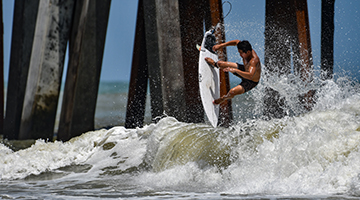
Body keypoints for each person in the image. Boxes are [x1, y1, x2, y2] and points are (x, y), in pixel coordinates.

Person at [205, 40, 261, 105]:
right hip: (244, 70)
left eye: (241, 53)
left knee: (232, 92)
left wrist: (235, 70)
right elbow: (236, 42)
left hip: (251, 81)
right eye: (239, 53)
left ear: (248, 52)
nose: (240, 55)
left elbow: (250, 76)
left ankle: (223, 98)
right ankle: (214, 64)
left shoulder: (254, 61)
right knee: (220, 64)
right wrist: (220, 45)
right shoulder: (244, 47)